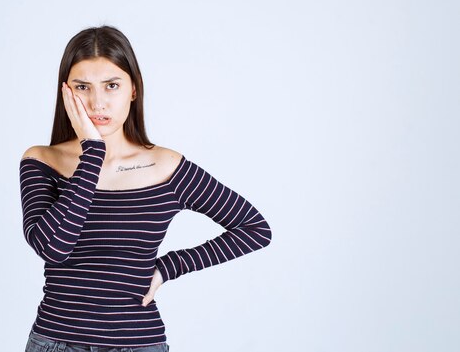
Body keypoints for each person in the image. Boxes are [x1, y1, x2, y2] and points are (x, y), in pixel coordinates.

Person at [19, 25, 272, 352]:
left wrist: (170, 267)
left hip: (138, 343)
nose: (98, 103)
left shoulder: (166, 167)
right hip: (56, 342)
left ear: (133, 90)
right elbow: (52, 247)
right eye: (83, 87)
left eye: (111, 85)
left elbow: (255, 229)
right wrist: (93, 152)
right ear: (66, 93)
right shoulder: (43, 160)